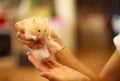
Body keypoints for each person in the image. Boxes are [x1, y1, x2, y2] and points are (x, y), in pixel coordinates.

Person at [15, 18, 97, 81]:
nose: (41, 34)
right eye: (39, 31)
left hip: (47, 46)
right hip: (42, 48)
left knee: (49, 48)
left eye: (45, 31)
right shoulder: (32, 27)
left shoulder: (45, 30)